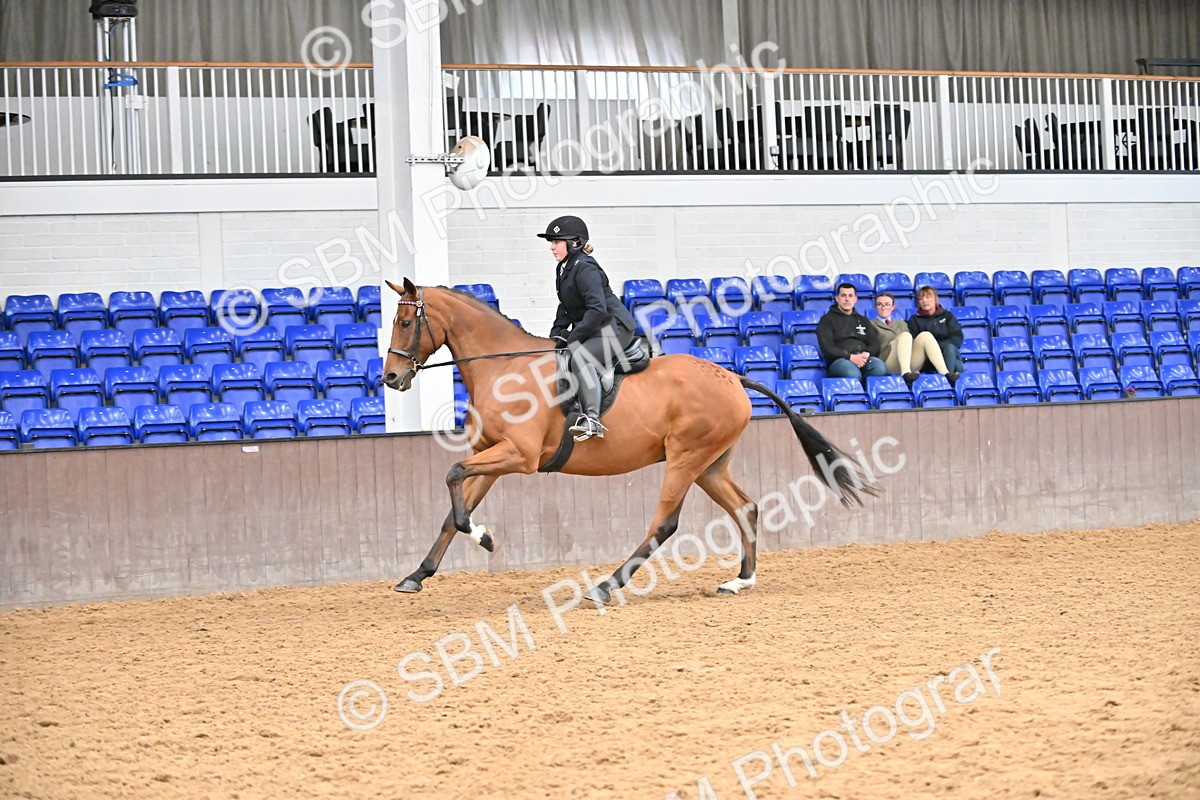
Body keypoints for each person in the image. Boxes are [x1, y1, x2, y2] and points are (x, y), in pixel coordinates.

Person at [538, 215, 638, 441]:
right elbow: (566, 306)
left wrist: (573, 337)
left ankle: (592, 420)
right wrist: (555, 336)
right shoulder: (564, 268)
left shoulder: (586, 268)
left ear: (574, 242)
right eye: (551, 242)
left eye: (556, 242)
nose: (552, 247)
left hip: (615, 327)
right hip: (596, 326)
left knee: (580, 357)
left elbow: (597, 310)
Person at [871, 292, 957, 386]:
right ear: (875, 307)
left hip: (908, 361)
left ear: (893, 307)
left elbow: (910, 342)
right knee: (905, 335)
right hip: (888, 362)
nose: (883, 307)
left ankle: (945, 374)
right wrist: (893, 343)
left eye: (887, 304)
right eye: (879, 304)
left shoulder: (902, 323)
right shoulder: (870, 324)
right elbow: (872, 347)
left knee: (925, 335)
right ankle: (905, 374)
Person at [816, 283, 885, 382]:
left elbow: (875, 344)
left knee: (879, 367)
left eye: (850, 296)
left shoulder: (863, 320)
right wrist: (850, 357)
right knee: (851, 372)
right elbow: (827, 348)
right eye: (843, 295)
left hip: (863, 359)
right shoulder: (826, 320)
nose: (847, 299)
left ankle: (866, 394)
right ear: (837, 298)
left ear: (855, 299)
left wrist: (866, 354)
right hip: (839, 361)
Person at [905, 285, 964, 383]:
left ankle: (945, 380)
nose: (924, 301)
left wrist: (939, 347)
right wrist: (933, 350)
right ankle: (948, 381)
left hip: (948, 352)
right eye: (921, 298)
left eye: (928, 297)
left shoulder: (947, 315)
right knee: (958, 366)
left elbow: (957, 337)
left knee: (950, 348)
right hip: (927, 358)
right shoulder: (914, 320)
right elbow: (915, 342)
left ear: (935, 299)